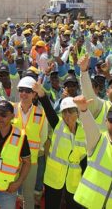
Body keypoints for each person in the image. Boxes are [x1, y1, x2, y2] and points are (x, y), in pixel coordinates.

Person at [0, 67, 47, 209]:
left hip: (31, 162)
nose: (24, 94)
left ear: (34, 94)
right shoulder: (10, 109)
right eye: (21, 90)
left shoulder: (41, 113)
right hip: (11, 160)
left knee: (28, 196)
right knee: (9, 194)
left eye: (28, 91)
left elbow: (42, 138)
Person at [32, 79, 87, 209]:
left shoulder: (84, 132)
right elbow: (47, 107)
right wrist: (40, 92)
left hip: (74, 182)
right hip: (54, 179)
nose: (67, 115)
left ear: (77, 113)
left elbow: (84, 160)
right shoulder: (58, 125)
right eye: (64, 112)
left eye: (71, 111)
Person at [73, 95, 112, 209]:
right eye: (111, 120)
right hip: (87, 204)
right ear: (106, 121)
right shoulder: (97, 140)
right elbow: (89, 125)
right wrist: (84, 110)